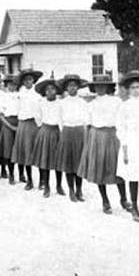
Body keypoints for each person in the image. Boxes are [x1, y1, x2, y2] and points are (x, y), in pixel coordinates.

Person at [77, 74, 131, 215]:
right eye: (97, 86)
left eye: (103, 85)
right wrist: (88, 144)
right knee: (99, 168)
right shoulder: (91, 104)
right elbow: (87, 125)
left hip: (113, 135)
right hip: (96, 136)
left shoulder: (117, 102)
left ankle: (124, 199)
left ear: (108, 87)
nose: (100, 88)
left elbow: (122, 121)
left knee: (117, 168)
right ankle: (105, 200)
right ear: (94, 87)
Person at [116, 70, 139, 222]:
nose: (136, 90)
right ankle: (135, 206)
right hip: (130, 143)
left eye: (138, 87)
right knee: (133, 176)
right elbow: (121, 128)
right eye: (133, 88)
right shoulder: (124, 106)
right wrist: (124, 149)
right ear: (128, 90)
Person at [56, 74, 89, 202]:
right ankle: (71, 189)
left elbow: (86, 120)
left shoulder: (82, 102)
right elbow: (59, 120)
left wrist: (83, 132)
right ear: (66, 88)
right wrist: (63, 132)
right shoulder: (62, 103)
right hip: (67, 132)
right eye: (69, 86)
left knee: (78, 162)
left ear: (78, 87)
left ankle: (79, 190)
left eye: (74, 85)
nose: (72, 88)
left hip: (79, 132)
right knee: (69, 163)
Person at [31, 78, 63, 197]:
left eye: (52, 89)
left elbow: (62, 118)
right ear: (44, 92)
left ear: (56, 90)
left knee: (58, 160)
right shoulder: (41, 103)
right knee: (45, 160)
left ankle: (59, 185)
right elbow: (37, 117)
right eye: (47, 89)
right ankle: (47, 186)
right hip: (45, 131)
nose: (50, 91)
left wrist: (61, 131)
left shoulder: (60, 103)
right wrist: (42, 128)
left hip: (57, 132)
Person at [12, 69, 43, 190]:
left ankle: (42, 180)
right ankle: (29, 180)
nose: (28, 82)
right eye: (25, 80)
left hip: (35, 124)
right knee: (25, 153)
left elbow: (41, 111)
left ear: (33, 80)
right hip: (23, 124)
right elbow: (16, 109)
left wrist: (40, 125)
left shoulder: (38, 94)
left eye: (30, 79)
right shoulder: (20, 94)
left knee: (38, 153)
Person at [0, 74, 19, 184]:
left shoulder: (20, 96)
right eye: (10, 84)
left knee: (20, 149)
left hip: (20, 123)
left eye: (14, 84)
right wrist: (10, 126)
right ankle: (11, 174)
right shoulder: (3, 97)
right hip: (8, 124)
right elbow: (0, 114)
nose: (12, 86)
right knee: (9, 151)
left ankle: (22, 174)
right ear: (6, 85)